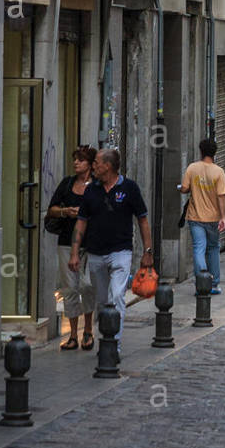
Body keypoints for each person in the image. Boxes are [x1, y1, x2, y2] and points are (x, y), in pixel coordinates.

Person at [69, 149, 152, 354]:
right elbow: (81, 222)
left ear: (107, 166)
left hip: (121, 252)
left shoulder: (130, 188)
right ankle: (105, 336)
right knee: (103, 301)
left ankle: (113, 343)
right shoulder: (91, 190)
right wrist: (74, 252)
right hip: (96, 253)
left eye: (96, 162)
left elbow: (142, 219)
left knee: (117, 297)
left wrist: (148, 250)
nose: (93, 166)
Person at [46, 145, 97, 351]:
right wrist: (66, 211)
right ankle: (74, 335)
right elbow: (51, 209)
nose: (76, 163)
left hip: (92, 243)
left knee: (87, 286)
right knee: (70, 290)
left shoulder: (97, 186)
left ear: (91, 164)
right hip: (67, 242)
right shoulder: (67, 184)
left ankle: (89, 330)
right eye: (75, 159)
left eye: (81, 160)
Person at [179, 139, 225, 294]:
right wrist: (222, 217)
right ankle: (213, 284)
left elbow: (185, 188)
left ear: (201, 151)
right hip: (213, 218)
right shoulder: (218, 172)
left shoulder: (192, 168)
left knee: (199, 248)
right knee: (213, 248)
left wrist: (183, 188)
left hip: (195, 217)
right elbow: (221, 196)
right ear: (215, 153)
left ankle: (201, 280)